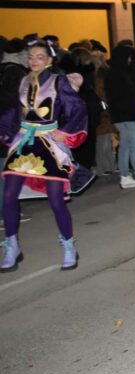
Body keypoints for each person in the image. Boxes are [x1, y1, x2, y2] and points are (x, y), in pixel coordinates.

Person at [1, 37, 88, 272]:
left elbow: (77, 108)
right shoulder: (22, 82)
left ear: (50, 60)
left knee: (55, 199)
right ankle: (12, 245)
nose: (34, 61)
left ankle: (69, 245)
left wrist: (66, 131)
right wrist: (4, 131)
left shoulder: (59, 82)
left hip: (49, 144)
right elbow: (12, 113)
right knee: (8, 195)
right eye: (31, 57)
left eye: (40, 57)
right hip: (23, 143)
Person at [105, 44, 135, 190]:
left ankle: (125, 176)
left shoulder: (114, 74)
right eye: (128, 57)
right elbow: (123, 98)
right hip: (126, 116)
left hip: (121, 116)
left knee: (125, 147)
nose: (130, 60)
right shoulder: (118, 75)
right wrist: (133, 113)